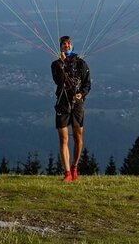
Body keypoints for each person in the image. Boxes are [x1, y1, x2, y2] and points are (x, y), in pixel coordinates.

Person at [51, 35, 91, 182]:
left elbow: (87, 84)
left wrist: (82, 94)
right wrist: (62, 63)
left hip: (77, 104)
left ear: (72, 46)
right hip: (62, 103)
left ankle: (75, 166)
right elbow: (59, 81)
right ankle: (67, 172)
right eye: (63, 44)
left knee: (78, 136)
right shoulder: (56, 64)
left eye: (68, 44)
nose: (66, 46)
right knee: (64, 138)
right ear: (60, 47)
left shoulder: (81, 64)